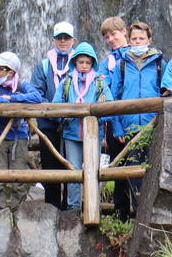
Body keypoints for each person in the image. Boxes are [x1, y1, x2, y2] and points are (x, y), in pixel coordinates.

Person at [105, 21, 164, 219]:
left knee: (150, 172)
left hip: (152, 126)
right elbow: (112, 98)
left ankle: (148, 217)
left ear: (149, 40)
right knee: (128, 173)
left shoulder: (159, 64)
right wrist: (117, 127)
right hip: (127, 126)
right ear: (128, 41)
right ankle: (126, 219)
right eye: (134, 39)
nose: (138, 42)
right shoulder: (121, 64)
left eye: (142, 38)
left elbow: (165, 92)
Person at [0, 51, 42, 212]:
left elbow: (36, 97)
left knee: (19, 177)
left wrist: (13, 99)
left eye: (0, 69)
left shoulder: (21, 85)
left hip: (19, 136)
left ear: (11, 72)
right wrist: (6, 102)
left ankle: (17, 211)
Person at [55, 43, 110, 212]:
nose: (84, 66)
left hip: (94, 134)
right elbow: (56, 106)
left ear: (93, 63)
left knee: (93, 171)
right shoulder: (66, 82)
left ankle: (93, 208)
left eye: (88, 62)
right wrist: (67, 115)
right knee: (74, 172)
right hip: (72, 134)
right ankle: (73, 208)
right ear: (75, 63)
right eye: (81, 62)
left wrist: (97, 117)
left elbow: (110, 107)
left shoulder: (100, 83)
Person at [29, 21, 76, 209]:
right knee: (50, 165)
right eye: (59, 38)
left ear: (73, 39)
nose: (63, 41)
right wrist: (53, 111)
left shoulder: (80, 62)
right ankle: (52, 206)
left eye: (66, 38)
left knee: (71, 164)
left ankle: (71, 206)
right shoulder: (43, 65)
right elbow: (36, 92)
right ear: (54, 40)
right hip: (48, 124)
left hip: (72, 123)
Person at [98, 16, 131, 220]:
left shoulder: (140, 55)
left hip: (139, 120)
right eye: (106, 36)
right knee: (118, 169)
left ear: (124, 31)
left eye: (114, 34)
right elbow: (104, 91)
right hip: (114, 123)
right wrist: (116, 124)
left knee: (141, 167)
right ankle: (121, 216)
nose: (110, 39)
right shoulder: (105, 63)